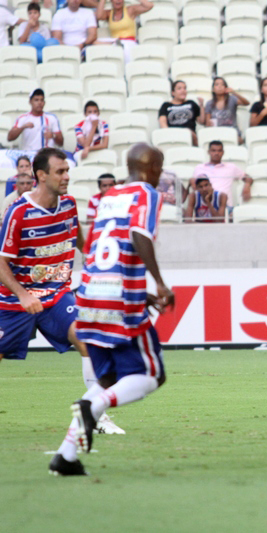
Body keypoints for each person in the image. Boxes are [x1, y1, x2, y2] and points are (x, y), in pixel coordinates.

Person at [48, 143, 174, 476]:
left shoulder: (109, 196)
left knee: (107, 377)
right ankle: (94, 407)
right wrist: (159, 283)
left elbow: (100, 247)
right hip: (119, 304)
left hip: (91, 297)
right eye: (159, 168)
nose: (160, 176)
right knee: (152, 374)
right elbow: (137, 234)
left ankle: (66, 456)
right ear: (148, 169)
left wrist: (140, 292)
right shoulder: (145, 193)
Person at [0, 148, 122, 438]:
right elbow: (1, 261)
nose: (67, 176)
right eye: (60, 172)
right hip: (15, 302)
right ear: (41, 176)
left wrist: (103, 265)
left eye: (67, 171)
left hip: (56, 296)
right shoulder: (19, 212)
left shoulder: (68, 204)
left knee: (88, 340)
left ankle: (94, 414)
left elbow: (79, 239)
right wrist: (22, 294)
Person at [159, 80, 204, 146]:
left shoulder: (191, 103)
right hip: (173, 134)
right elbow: (163, 123)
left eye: (184, 88)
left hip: (190, 135)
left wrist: (201, 106)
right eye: (179, 88)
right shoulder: (166, 105)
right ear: (173, 93)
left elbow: (201, 121)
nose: (183, 90)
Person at [204, 77, 249, 143]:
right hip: (216, 133)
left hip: (232, 132)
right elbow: (208, 123)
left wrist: (234, 93)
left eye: (222, 84)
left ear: (226, 88)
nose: (220, 87)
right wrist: (209, 123)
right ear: (213, 89)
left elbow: (246, 103)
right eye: (217, 84)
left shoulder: (232, 99)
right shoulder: (209, 103)